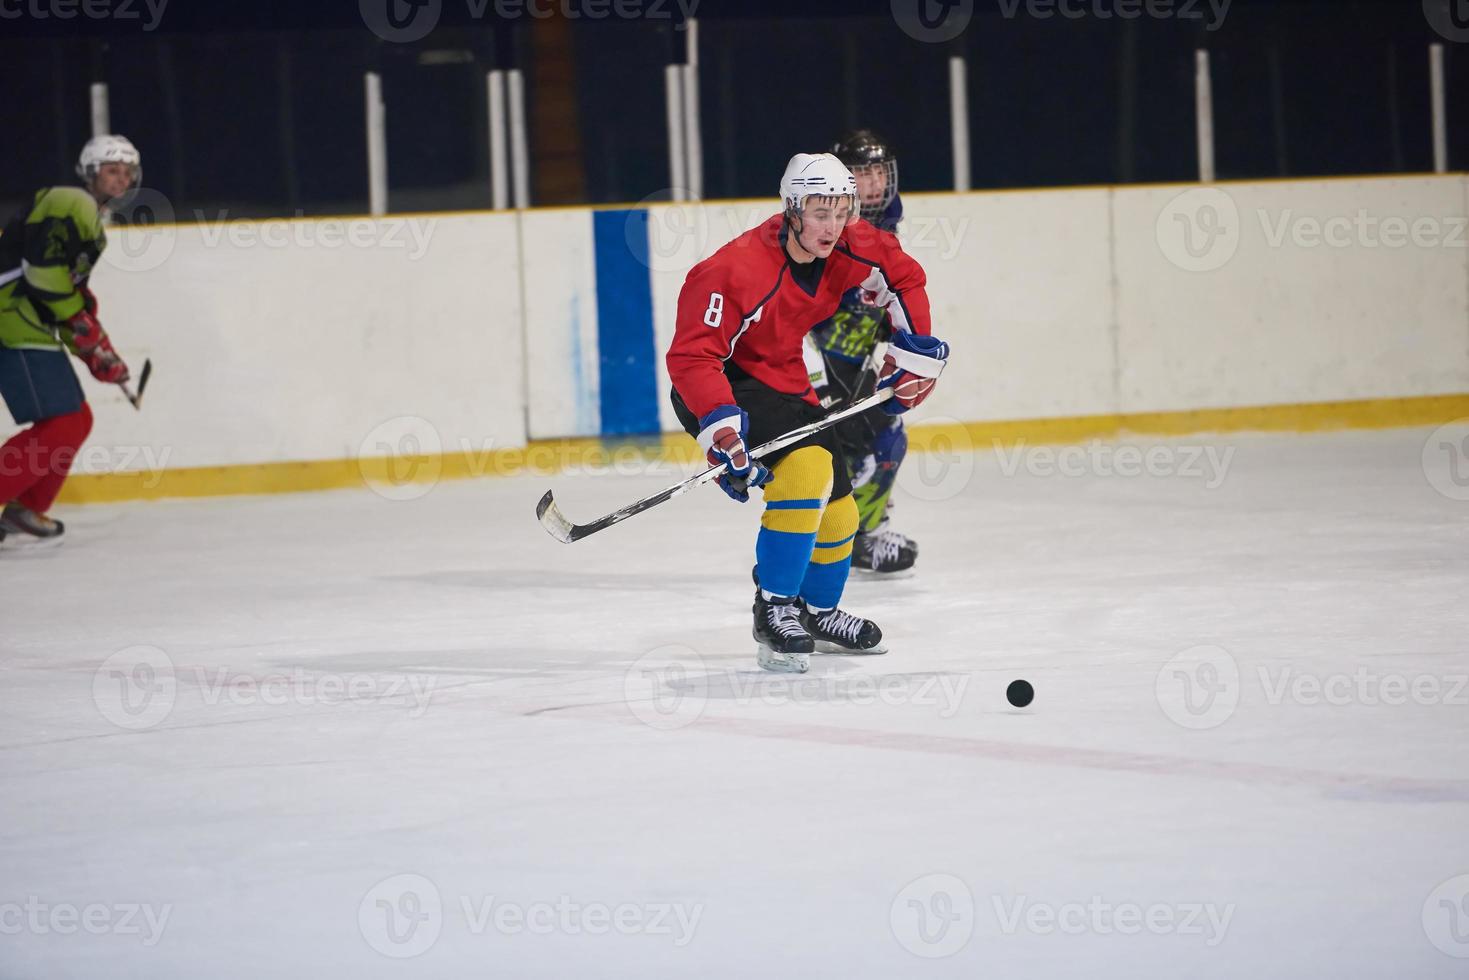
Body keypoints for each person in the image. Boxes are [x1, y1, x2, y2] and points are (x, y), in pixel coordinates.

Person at [666, 151, 950, 673]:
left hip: (784, 379)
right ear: (793, 210)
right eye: (821, 213)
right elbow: (692, 357)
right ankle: (774, 609)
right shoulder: (732, 270)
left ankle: (818, 613)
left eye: (842, 212)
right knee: (807, 471)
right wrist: (723, 433)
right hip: (719, 386)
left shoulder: (852, 244)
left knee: (841, 508)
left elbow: (904, 278)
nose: (833, 225)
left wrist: (916, 353)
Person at [0, 135, 139, 546]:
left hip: (27, 319)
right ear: (90, 173)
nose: (121, 179)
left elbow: (65, 296)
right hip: (10, 316)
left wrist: (94, 349)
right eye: (111, 170)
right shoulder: (70, 201)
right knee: (62, 423)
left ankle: (26, 507)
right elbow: (44, 275)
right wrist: (86, 332)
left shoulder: (91, 223)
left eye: (128, 172)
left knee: (77, 419)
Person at [804, 129, 918, 573]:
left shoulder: (885, 227)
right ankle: (815, 541)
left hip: (855, 367)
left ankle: (861, 536)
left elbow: (887, 296)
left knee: (888, 439)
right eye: (861, 174)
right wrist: (819, 383)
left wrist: (896, 338)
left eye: (878, 173)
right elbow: (792, 313)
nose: (873, 184)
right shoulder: (822, 231)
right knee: (823, 458)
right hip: (813, 366)